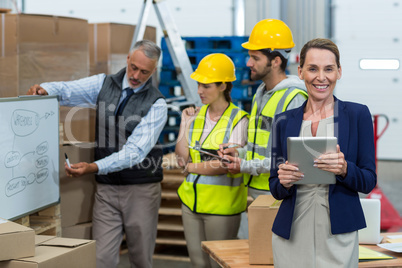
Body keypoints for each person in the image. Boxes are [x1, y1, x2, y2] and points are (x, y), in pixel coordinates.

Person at [27, 40, 168, 268]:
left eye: (144, 72)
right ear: (128, 60)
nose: (136, 75)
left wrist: (94, 167)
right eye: (134, 67)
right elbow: (69, 90)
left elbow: (134, 152)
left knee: (140, 259)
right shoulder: (104, 84)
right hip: (106, 189)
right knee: (102, 259)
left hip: (140, 189)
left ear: (153, 71)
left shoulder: (157, 104)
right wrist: (46, 88)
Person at [269, 38, 377, 267]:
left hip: (337, 235)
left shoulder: (357, 115)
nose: (321, 77)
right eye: (312, 68)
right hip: (292, 233)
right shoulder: (283, 121)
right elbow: (275, 188)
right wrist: (284, 181)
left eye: (329, 69)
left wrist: (345, 169)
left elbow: (368, 181)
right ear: (300, 72)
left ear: (339, 71)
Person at [219, 18, 308, 239]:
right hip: (255, 191)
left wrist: (244, 165)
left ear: (276, 61)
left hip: (278, 195)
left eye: (254, 57)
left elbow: (293, 159)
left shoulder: (294, 99)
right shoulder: (261, 93)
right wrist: (238, 153)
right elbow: (261, 144)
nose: (248, 63)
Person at [175, 53, 249, 268]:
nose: (199, 91)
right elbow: (181, 158)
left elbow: (224, 166)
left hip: (222, 208)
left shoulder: (239, 120)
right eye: (199, 84)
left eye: (206, 86)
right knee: (198, 264)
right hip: (190, 204)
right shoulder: (196, 115)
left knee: (218, 265)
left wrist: (190, 167)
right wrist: (184, 124)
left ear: (223, 85)